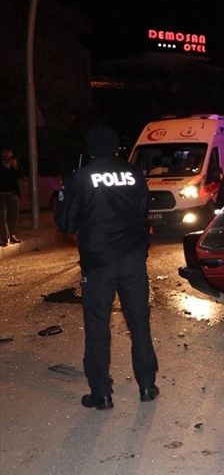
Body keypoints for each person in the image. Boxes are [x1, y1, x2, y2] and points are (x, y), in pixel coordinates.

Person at [53, 126, 159, 410]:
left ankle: (101, 393)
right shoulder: (133, 173)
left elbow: (66, 223)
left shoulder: (80, 177)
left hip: (99, 264)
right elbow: (143, 211)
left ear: (90, 148)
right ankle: (147, 385)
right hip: (133, 260)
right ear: (115, 147)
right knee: (139, 324)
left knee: (98, 326)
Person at [0, 147, 23, 246]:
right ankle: (5, 237)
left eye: (8, 152)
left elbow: (21, 176)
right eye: (4, 151)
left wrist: (16, 167)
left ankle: (12, 234)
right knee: (2, 217)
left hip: (13, 193)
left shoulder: (13, 164)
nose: (6, 154)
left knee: (13, 216)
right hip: (1, 194)